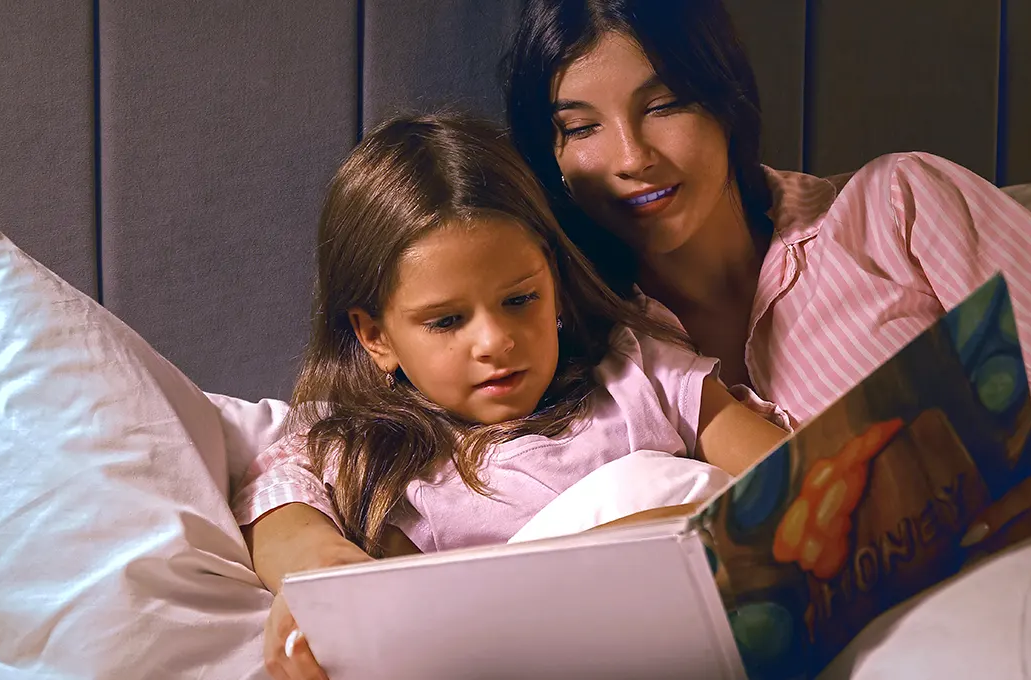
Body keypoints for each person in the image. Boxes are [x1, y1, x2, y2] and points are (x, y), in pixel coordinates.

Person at [501, 0, 1031, 552]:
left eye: (662, 106)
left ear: (724, 98)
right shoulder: (569, 330)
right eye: (583, 128)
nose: (631, 157)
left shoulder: (897, 210)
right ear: (553, 156)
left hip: (1010, 590)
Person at [237, 112, 790, 680]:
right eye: (447, 320)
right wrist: (319, 573)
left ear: (550, 280)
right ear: (376, 336)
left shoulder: (633, 369)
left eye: (520, 299)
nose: (496, 341)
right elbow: (277, 499)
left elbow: (794, 479)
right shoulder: (383, 461)